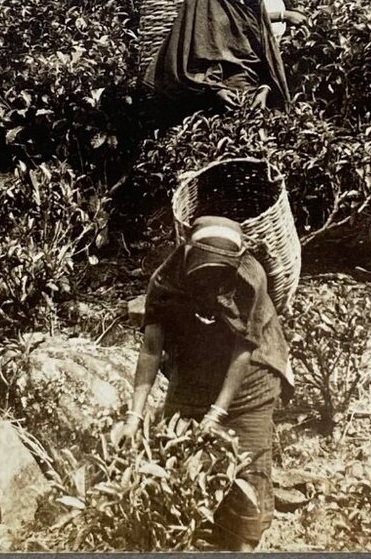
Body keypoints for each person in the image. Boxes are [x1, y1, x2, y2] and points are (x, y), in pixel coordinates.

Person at [121, 217, 292, 552]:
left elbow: (244, 348)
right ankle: (196, 533)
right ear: (188, 254)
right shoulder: (166, 281)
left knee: (247, 464)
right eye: (203, 272)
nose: (210, 283)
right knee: (178, 455)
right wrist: (134, 417)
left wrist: (217, 412)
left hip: (251, 375)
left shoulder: (249, 277)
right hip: (193, 368)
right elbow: (152, 349)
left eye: (219, 274)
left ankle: (243, 540)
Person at [147, 0, 291, 114]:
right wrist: (216, 90)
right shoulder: (200, 4)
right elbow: (182, 65)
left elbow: (266, 60)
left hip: (253, 99)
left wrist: (264, 89)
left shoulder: (250, 8)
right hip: (209, 103)